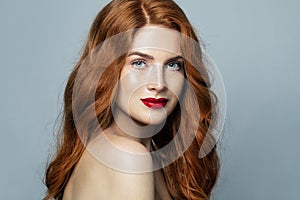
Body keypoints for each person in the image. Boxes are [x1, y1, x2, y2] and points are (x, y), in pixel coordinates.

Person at [44, 0, 221, 199]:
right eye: (139, 63)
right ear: (106, 69)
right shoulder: (129, 158)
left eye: (173, 65)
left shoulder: (145, 157)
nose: (159, 83)